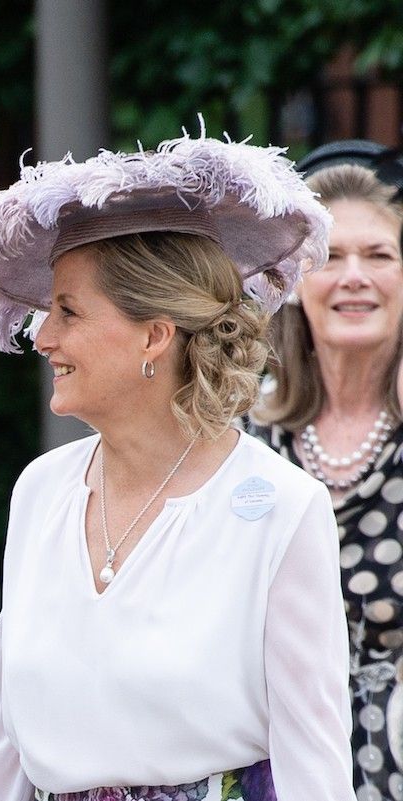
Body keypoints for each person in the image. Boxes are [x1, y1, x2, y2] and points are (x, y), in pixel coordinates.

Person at [0, 133, 354, 801]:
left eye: (67, 311)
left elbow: (314, 762)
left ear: (155, 335)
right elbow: (4, 742)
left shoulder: (281, 508)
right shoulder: (40, 491)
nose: (42, 336)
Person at [247, 156, 403, 800]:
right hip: (273, 765)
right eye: (331, 257)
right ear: (293, 283)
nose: (355, 277)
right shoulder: (241, 436)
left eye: (380, 255)